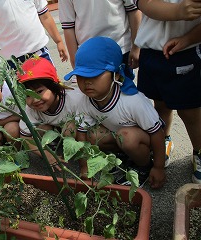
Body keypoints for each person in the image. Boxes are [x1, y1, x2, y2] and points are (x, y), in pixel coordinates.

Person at [65, 37, 166, 189]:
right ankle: (125, 157)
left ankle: (144, 166)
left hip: (144, 141)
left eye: (94, 76)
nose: (87, 82)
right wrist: (84, 170)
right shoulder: (85, 101)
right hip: (120, 136)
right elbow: (82, 136)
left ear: (116, 75)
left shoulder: (132, 101)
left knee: (126, 137)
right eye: (81, 76)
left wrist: (159, 167)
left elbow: (157, 133)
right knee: (90, 134)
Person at [134, 0, 201, 183]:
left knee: (190, 111)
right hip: (152, 51)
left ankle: (199, 150)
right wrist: (178, 10)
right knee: (160, 105)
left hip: (186, 50)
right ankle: (164, 140)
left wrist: (189, 38)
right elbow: (144, 3)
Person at [17, 57, 83, 171]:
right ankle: (57, 143)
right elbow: (25, 138)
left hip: (80, 131)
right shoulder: (30, 109)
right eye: (28, 95)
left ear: (54, 86)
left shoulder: (74, 100)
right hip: (56, 130)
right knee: (40, 129)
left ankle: (74, 150)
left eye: (39, 92)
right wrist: (46, 154)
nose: (35, 99)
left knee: (69, 128)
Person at [58, 0, 141, 78]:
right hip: (88, 56)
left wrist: (136, 47)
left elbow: (133, 10)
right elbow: (68, 26)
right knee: (94, 91)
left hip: (121, 49)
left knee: (126, 89)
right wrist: (76, 64)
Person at [0, 0, 68, 71]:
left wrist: (59, 41)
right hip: (12, 61)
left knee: (50, 86)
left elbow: (45, 16)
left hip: (38, 51)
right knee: (23, 92)